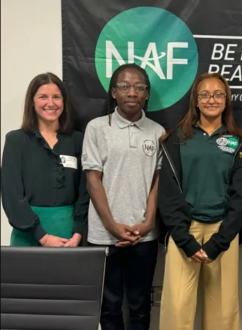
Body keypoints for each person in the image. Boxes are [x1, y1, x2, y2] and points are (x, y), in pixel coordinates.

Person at [158, 72, 242, 330]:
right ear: (196, 101)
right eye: (204, 94)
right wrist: (185, 240)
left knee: (222, 313)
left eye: (218, 94)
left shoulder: (240, 142)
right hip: (184, 231)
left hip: (223, 232)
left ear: (226, 100)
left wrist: (218, 243)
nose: (211, 99)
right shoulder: (175, 139)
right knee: (176, 311)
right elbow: (167, 194)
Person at [82, 63, 165, 330]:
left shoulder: (157, 132)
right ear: (114, 93)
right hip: (104, 235)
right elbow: (93, 179)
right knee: (109, 307)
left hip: (144, 236)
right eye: (125, 86)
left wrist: (149, 222)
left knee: (140, 306)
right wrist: (112, 226)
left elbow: (156, 180)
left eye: (139, 87)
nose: (132, 92)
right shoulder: (96, 128)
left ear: (147, 94)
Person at [1, 72, 88, 247]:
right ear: (32, 102)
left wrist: (78, 231)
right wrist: (42, 236)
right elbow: (12, 195)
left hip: (69, 236)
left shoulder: (78, 140)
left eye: (56, 97)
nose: (51, 103)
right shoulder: (16, 140)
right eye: (43, 97)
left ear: (64, 102)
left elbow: (85, 190)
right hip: (28, 234)